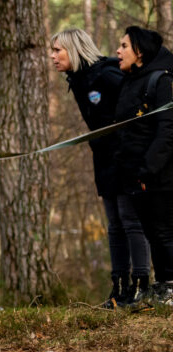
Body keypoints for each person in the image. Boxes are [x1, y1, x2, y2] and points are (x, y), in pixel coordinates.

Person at [51, 29, 150, 308]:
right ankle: (120, 288)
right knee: (114, 225)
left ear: (74, 48)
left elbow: (140, 107)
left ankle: (142, 287)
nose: (53, 56)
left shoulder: (107, 74)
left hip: (128, 158)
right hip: (104, 159)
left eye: (58, 50)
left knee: (131, 221)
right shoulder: (80, 79)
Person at [114, 25, 173, 305]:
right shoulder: (130, 81)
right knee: (152, 231)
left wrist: (148, 169)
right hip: (136, 176)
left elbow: (167, 131)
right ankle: (163, 286)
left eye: (124, 46)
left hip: (161, 175)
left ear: (139, 52)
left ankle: (170, 286)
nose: (118, 51)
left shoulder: (161, 81)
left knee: (163, 230)